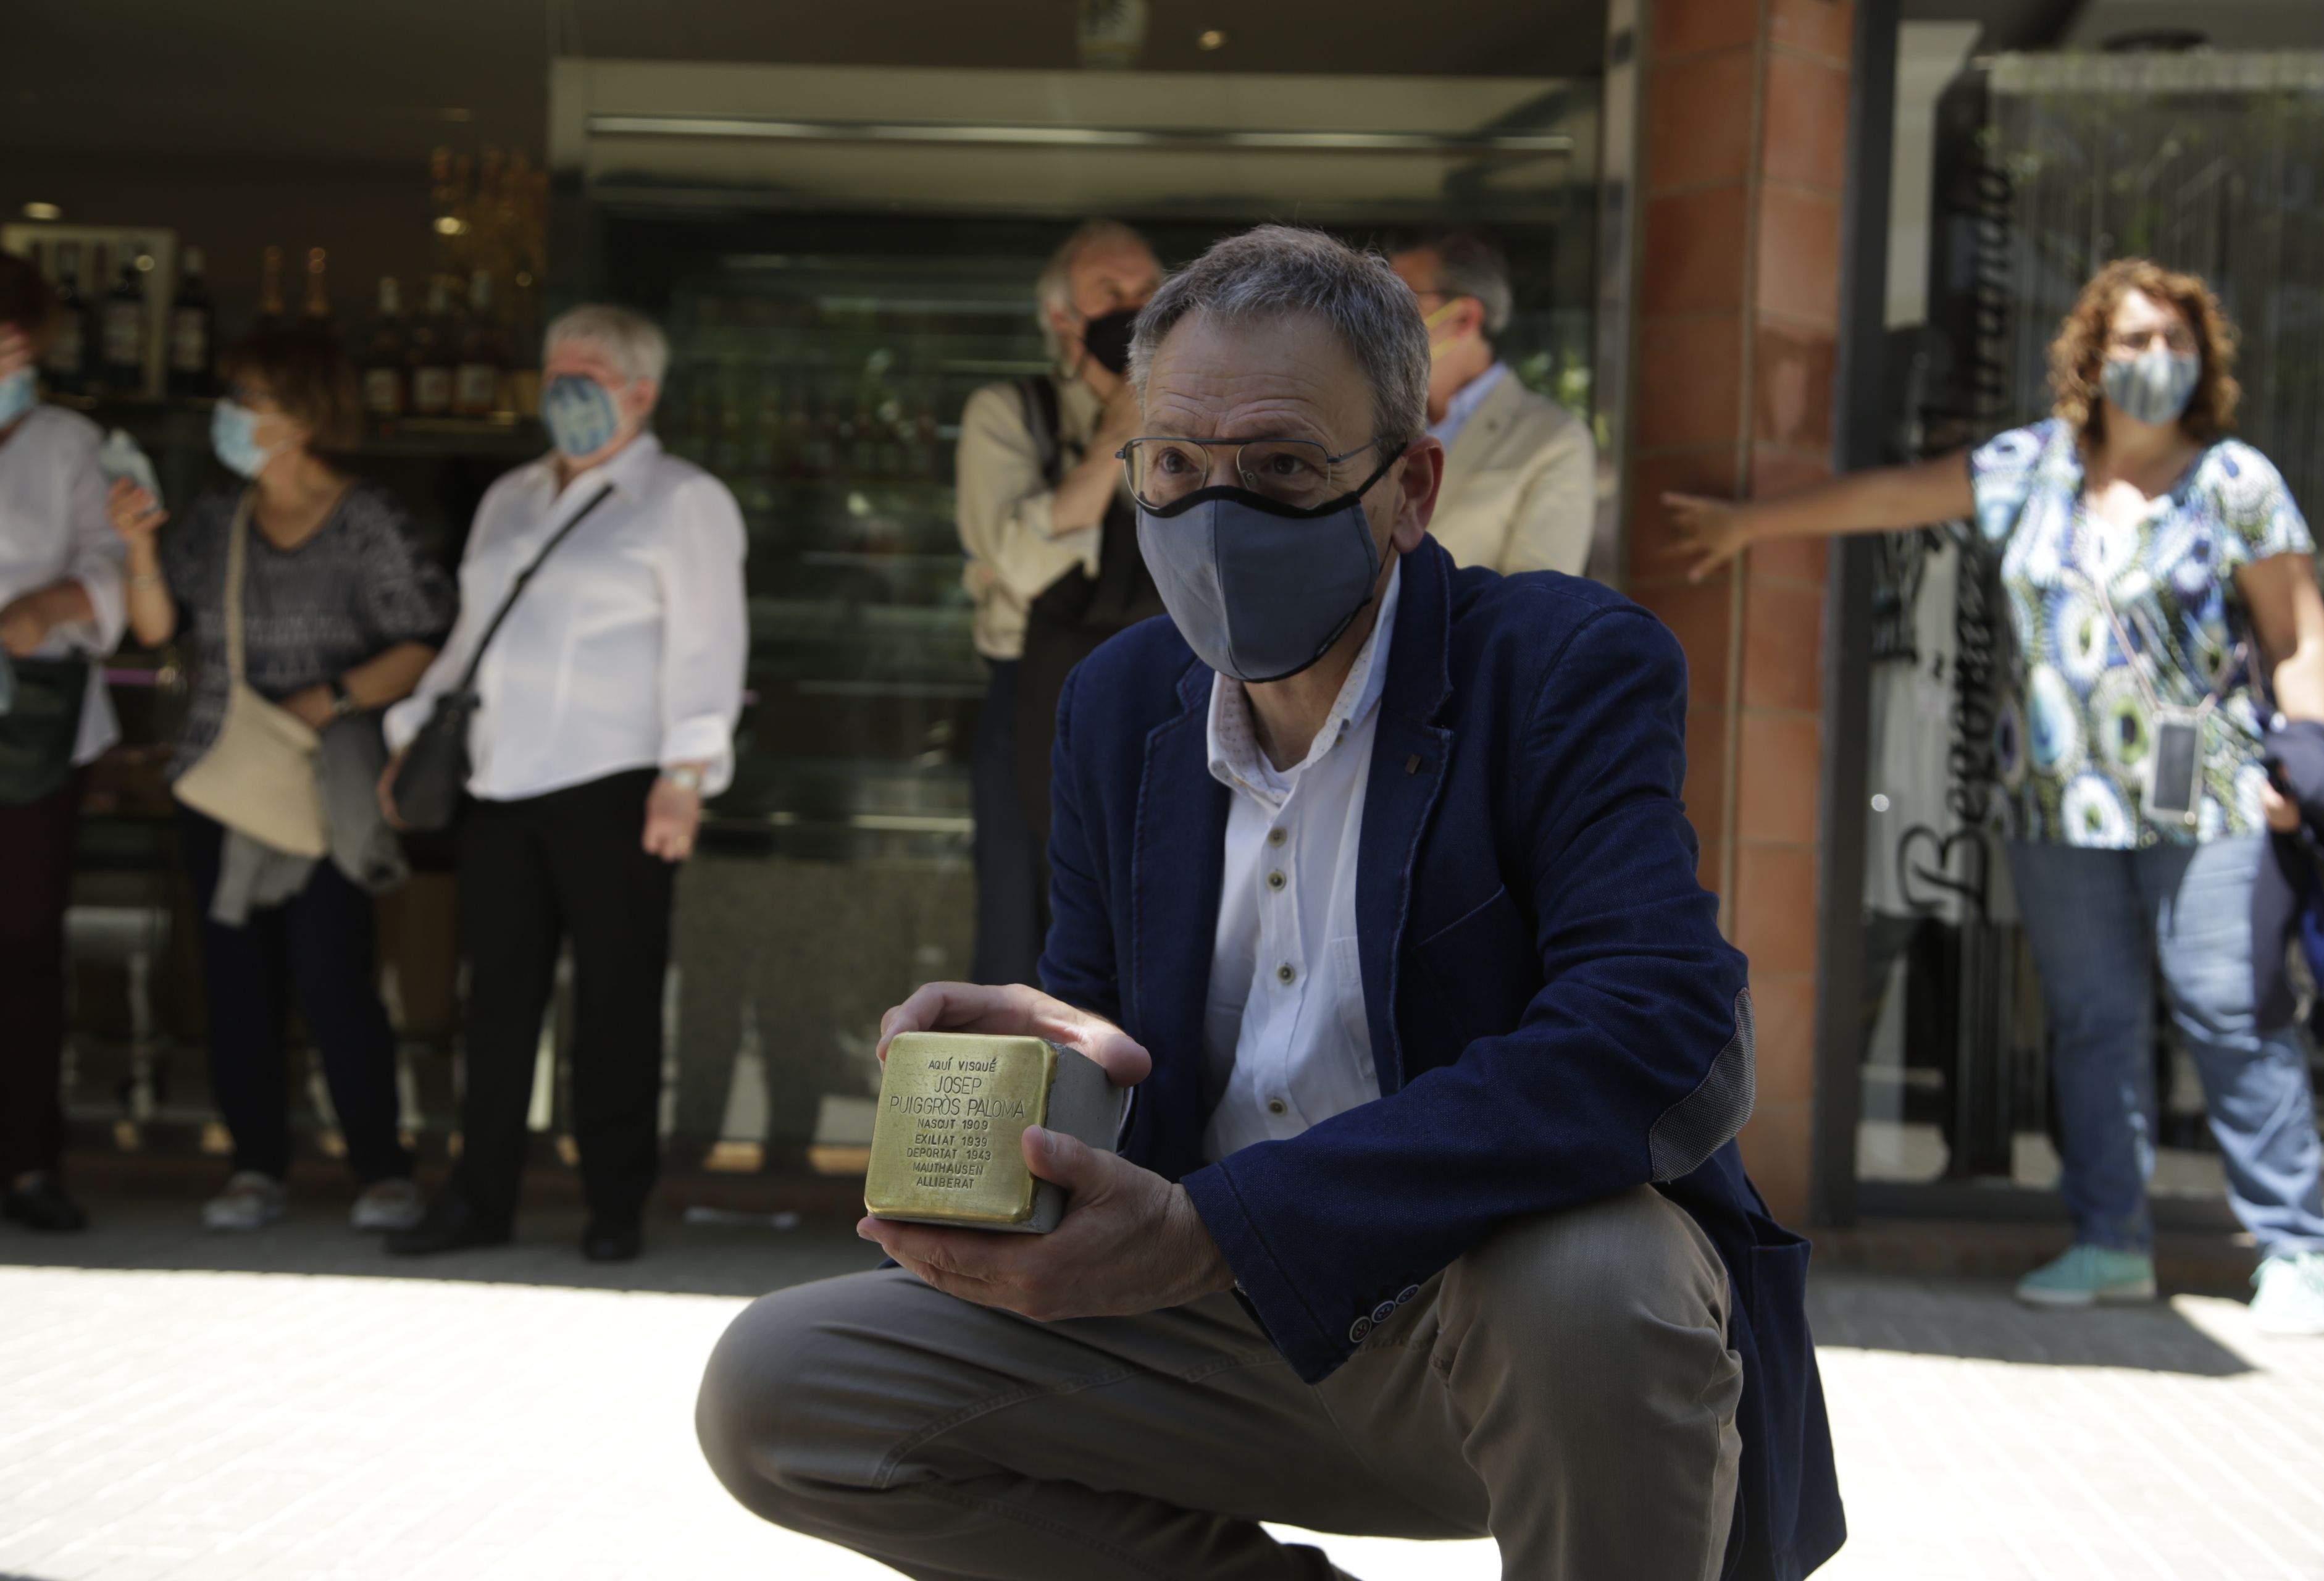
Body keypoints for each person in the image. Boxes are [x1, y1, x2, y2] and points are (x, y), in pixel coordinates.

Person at [699, 226, 1842, 1580]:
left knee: (1595, 1275)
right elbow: (1118, 1031)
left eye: (1284, 467)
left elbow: (1662, 1035)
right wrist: (1050, 1061)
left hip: (1493, 1331)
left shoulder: (1559, 664)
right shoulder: (1119, 702)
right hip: (1219, 1333)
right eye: (1176, 466)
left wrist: (1222, 1230)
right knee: (784, 1386)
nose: (1216, 515)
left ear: (1409, 488)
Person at [1666, 258, 2324, 1336]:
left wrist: (2304, 766)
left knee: (2230, 1010)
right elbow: (1891, 497)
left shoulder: (2236, 481)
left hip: (2214, 801)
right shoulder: (2032, 466)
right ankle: (2111, 1242)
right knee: (2091, 1024)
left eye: (2177, 341)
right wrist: (1751, 525)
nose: (2157, 358)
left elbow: (2298, 631)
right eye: (2134, 339)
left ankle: (2296, 1251)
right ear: (2092, 355)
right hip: (2057, 805)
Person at [383, 304, 748, 1265]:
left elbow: (709, 647)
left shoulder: (683, 499)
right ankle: (479, 1198)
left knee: (616, 1005)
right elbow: (470, 637)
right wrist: (413, 732)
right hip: (501, 781)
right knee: (495, 1004)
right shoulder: (509, 496)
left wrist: (686, 775)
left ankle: (615, 1203)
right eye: (554, 374)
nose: (564, 392)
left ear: (642, 392)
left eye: (586, 375)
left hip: (618, 783)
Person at [109, 325, 452, 1235]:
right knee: (235, 985)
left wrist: (326, 701)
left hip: (323, 784)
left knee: (334, 976)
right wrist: (138, 548)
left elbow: (426, 640)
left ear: (302, 417)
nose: (229, 415)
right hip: (225, 780)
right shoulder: (218, 517)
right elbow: (157, 629)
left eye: (248, 399)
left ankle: (381, 1168)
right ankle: (254, 1166)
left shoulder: (367, 520)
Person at [955, 219, 1163, 987]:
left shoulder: (1195, 414)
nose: (1133, 307)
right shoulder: (1008, 412)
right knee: (1020, 926)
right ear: (1061, 316)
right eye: (1110, 292)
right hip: (1033, 704)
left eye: (1147, 291)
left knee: (1149, 919)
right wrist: (1119, 432)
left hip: (1166, 694)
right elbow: (1015, 562)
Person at [0, 258, 125, 1235]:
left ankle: (28, 1160)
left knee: (24, 945)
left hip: (33, 725)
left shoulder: (70, 444)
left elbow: (114, 568)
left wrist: (50, 604)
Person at [1387, 230, 1598, 576]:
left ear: (1465, 318)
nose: (1383, 316)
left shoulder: (1556, 439)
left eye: (1401, 300)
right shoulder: (1378, 420)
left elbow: (1536, 598)